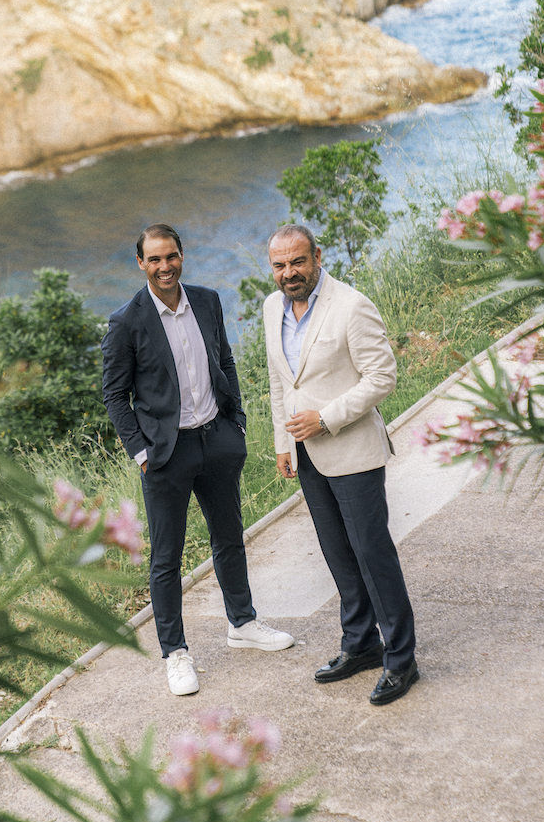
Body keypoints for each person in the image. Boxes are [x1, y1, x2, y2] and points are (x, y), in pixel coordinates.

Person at [102, 223, 294, 696]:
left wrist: (237, 423)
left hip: (217, 439)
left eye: (171, 256)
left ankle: (242, 623)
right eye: (154, 259)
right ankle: (175, 653)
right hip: (166, 454)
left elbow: (225, 360)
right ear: (141, 263)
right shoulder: (126, 322)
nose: (164, 266)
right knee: (166, 558)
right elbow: (115, 395)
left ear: (182, 255)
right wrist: (142, 453)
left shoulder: (207, 301)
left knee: (230, 538)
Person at [263, 224, 418, 705]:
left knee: (372, 555)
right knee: (338, 554)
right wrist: (283, 442)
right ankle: (361, 644)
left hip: (353, 452)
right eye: (280, 265)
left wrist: (325, 419)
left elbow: (382, 377)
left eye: (297, 262)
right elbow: (279, 381)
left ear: (317, 256)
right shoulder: (271, 308)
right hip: (306, 454)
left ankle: (402, 660)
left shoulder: (351, 306)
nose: (289, 273)